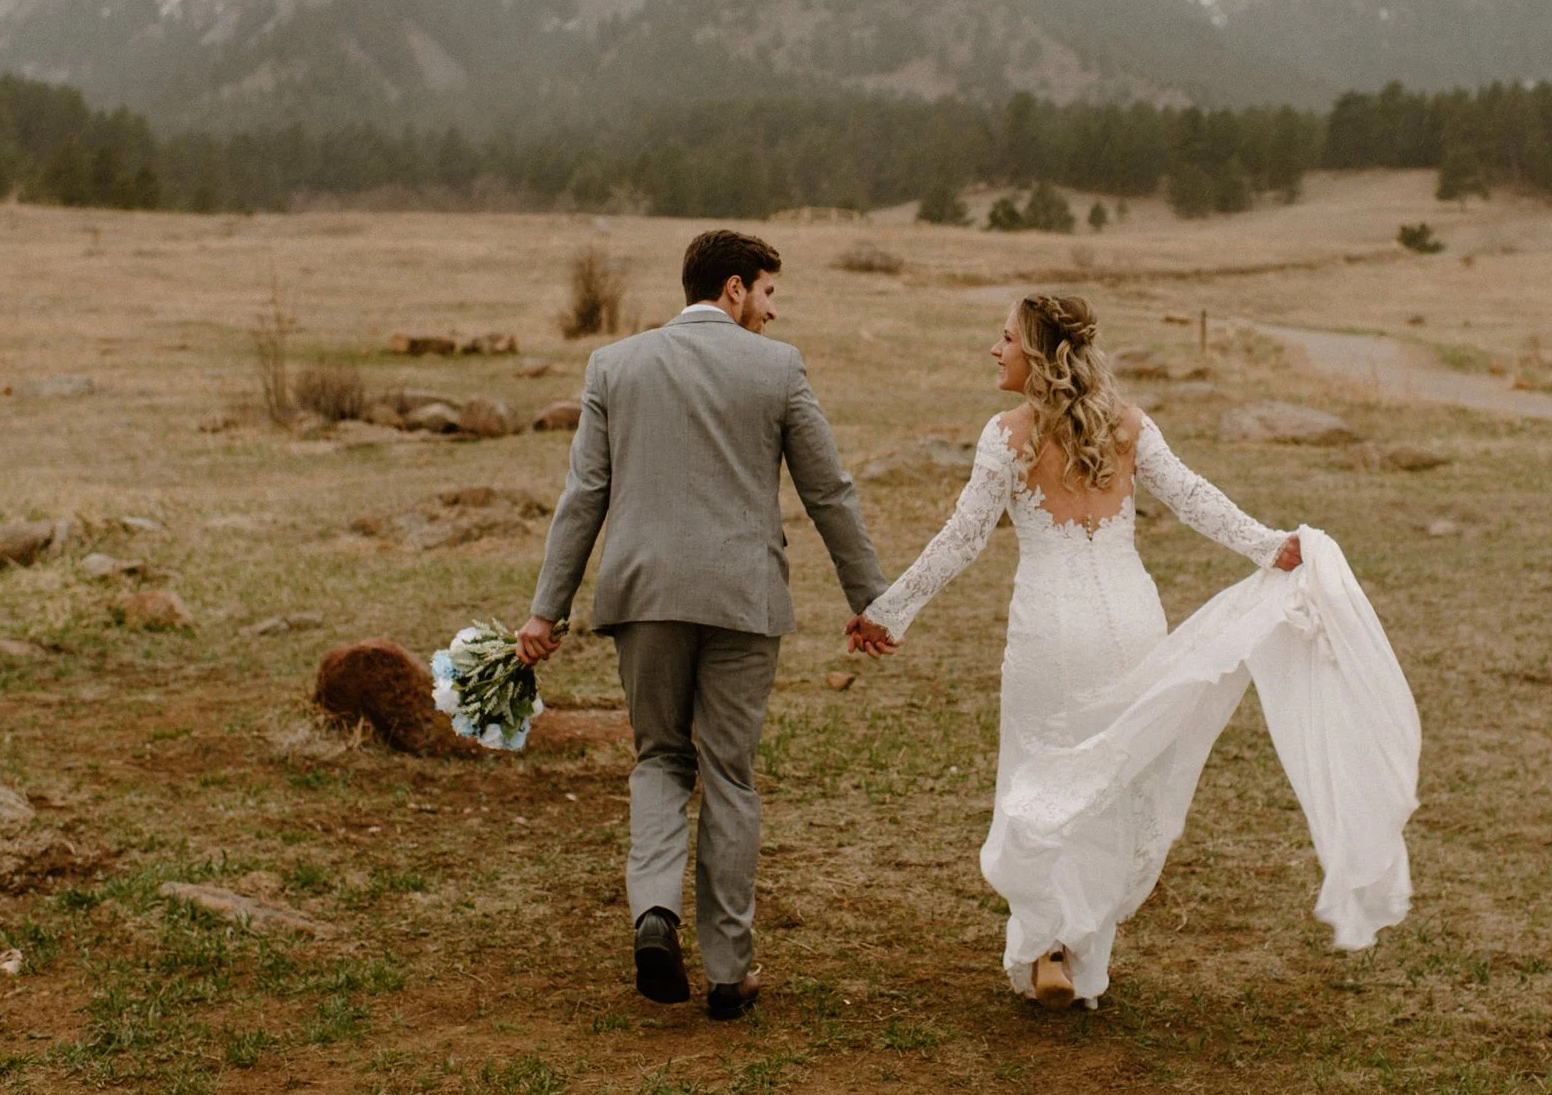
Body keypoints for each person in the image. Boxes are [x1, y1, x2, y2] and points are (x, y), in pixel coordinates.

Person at [851, 294, 1420, 1008]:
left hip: (1051, 634)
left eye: (1004, 340)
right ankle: (1078, 947)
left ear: (1038, 354)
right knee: (1110, 782)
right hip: (1130, 623)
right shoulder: (1126, 427)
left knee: (1044, 773)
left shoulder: (1007, 435)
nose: (993, 351)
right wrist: (1272, 546)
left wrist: (889, 612)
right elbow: (1194, 499)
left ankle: (1049, 944)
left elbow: (962, 540)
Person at [522, 229, 888, 1021]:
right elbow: (831, 492)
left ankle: (655, 912)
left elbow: (583, 496)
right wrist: (870, 599)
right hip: (741, 598)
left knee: (659, 757)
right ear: (732, 289)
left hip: (644, 594)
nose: (772, 308)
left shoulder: (613, 366)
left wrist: (544, 612)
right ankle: (729, 972)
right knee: (728, 773)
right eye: (767, 291)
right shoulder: (778, 367)